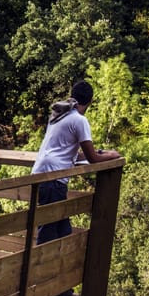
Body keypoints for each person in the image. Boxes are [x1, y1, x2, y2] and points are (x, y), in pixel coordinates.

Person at [31, 80, 121, 245]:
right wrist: (112, 155)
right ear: (90, 101)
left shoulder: (59, 116)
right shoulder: (79, 120)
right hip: (54, 178)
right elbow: (92, 158)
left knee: (63, 231)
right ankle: (38, 269)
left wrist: (102, 153)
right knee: (48, 231)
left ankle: (56, 268)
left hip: (42, 173)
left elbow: (72, 152)